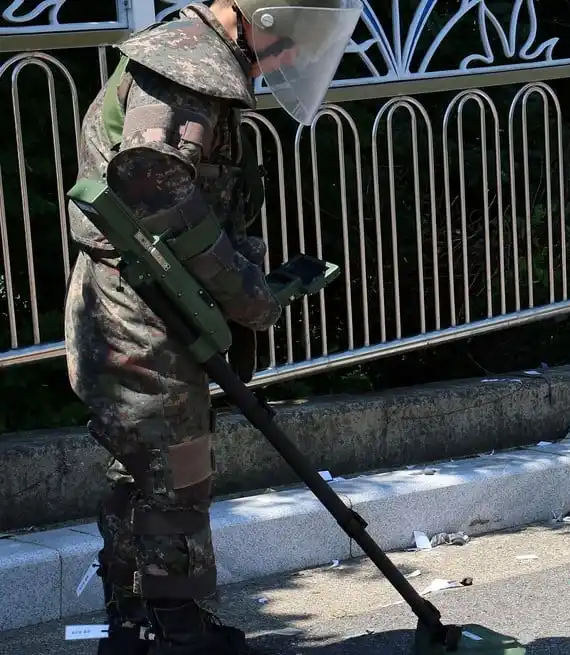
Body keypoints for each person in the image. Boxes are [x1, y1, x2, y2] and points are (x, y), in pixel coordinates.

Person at [63, 1, 361, 653]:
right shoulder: (183, 70)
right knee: (173, 468)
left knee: (139, 469)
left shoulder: (198, 67)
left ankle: (135, 625)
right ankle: (172, 631)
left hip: (142, 306)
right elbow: (151, 183)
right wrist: (247, 293)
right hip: (139, 315)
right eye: (292, 43)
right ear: (263, 17)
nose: (291, 60)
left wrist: (246, 286)